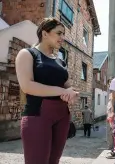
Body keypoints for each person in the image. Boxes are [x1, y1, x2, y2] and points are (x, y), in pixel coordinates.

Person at [15, 18, 79, 164]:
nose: (62, 38)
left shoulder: (60, 61)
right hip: (38, 115)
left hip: (62, 115)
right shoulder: (27, 54)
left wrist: (73, 94)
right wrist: (60, 91)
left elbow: (68, 86)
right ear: (45, 33)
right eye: (59, 33)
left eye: (63, 34)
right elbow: (27, 86)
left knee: (54, 161)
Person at [106, 94, 115, 159]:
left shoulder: (113, 103)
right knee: (113, 135)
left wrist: (111, 121)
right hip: (111, 120)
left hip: (114, 121)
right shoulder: (110, 103)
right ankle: (113, 150)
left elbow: (112, 113)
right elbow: (108, 112)